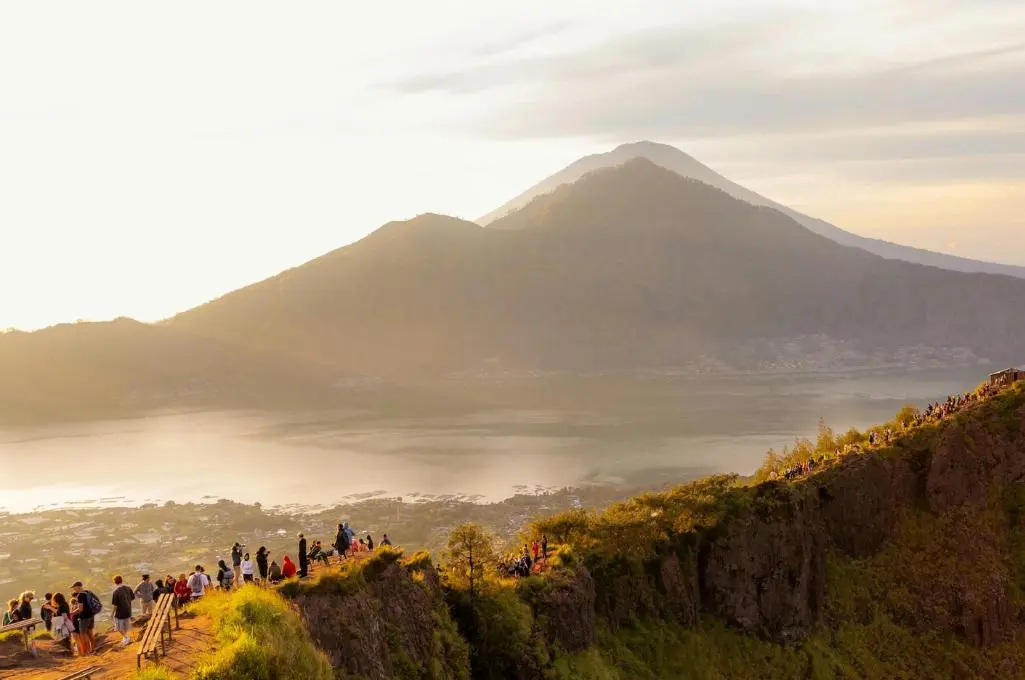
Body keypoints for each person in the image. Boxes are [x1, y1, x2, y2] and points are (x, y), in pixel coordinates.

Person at [70, 581, 96, 656]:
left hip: (84, 617)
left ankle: (87, 652)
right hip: (91, 615)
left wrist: (71, 613)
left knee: (83, 634)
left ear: (78, 587)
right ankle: (93, 648)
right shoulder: (87, 592)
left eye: (74, 588)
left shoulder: (80, 595)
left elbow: (80, 609)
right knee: (90, 633)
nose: (74, 589)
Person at [111, 575, 135, 647]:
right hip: (128, 610)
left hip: (120, 612)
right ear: (121, 580)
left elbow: (115, 605)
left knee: (118, 627)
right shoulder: (128, 588)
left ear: (115, 582)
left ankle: (127, 637)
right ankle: (125, 637)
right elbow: (132, 598)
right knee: (125, 625)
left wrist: (112, 613)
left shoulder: (116, 592)